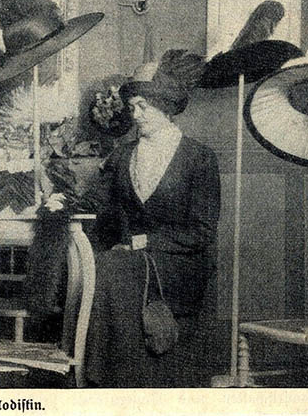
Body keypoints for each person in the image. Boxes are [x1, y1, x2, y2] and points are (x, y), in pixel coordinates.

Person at [84, 60, 221, 388]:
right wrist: (61, 203)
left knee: (112, 267)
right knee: (101, 264)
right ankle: (113, 380)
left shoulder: (199, 157)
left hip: (180, 263)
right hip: (129, 257)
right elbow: (95, 204)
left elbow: (202, 231)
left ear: (166, 107)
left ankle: (105, 378)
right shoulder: (123, 154)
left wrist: (144, 242)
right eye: (132, 107)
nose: (136, 114)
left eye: (143, 106)